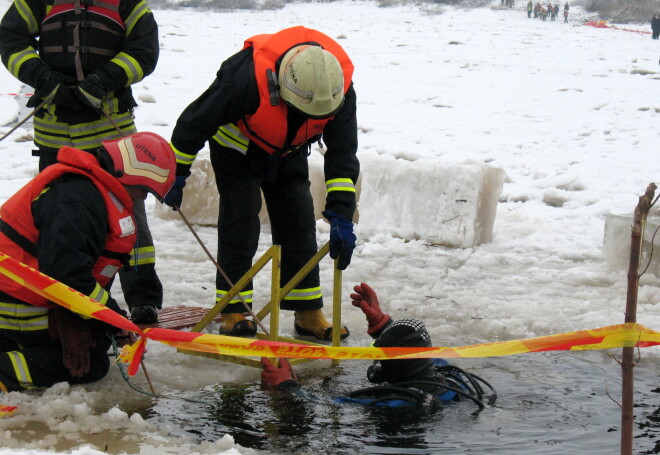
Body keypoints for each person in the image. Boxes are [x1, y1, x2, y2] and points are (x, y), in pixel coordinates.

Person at [166, 26, 359, 340]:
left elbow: (342, 154)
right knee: (241, 220)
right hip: (237, 148)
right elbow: (193, 123)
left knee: (298, 222)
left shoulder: (337, 89)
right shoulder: (242, 78)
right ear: (280, 88)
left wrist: (341, 214)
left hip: (289, 150)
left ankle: (307, 312)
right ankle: (234, 310)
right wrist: (175, 173)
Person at [0, 0, 164, 325]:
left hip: (110, 133)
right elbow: (10, 39)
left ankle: (143, 299)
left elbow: (144, 51)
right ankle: (62, 294)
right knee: (58, 222)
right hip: (54, 135)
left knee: (130, 220)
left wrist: (103, 81)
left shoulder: (128, 4)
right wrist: (44, 78)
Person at [0, 132, 175, 392]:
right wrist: (111, 318)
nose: (143, 198)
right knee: (89, 364)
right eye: (144, 189)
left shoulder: (91, 191)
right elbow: (66, 276)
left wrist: (106, 322)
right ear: (127, 175)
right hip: (13, 302)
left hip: (28, 296)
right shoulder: (78, 200)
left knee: (97, 339)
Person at [261, 283, 497, 412]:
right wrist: (382, 324)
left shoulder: (402, 402)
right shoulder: (442, 375)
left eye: (382, 356)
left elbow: (327, 405)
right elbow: (409, 351)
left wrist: (286, 385)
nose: (377, 363)